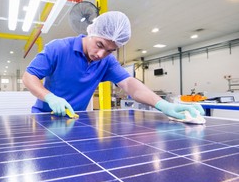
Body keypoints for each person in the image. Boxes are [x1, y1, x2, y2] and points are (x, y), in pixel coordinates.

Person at [22, 11, 204, 119]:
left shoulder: (106, 62)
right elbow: (29, 76)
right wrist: (50, 97)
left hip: (75, 119)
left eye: (109, 50)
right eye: (100, 45)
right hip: (43, 117)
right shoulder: (59, 48)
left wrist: (163, 105)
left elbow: (130, 85)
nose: (101, 54)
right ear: (91, 32)